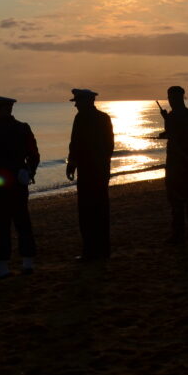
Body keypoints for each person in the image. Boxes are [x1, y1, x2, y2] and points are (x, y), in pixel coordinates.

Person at [0, 95, 40, 278]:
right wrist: (29, 172)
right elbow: (34, 155)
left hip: (2, 181)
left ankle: (2, 265)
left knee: (2, 223)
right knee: (22, 220)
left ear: (4, 110)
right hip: (18, 181)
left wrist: (28, 171)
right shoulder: (23, 128)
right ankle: (27, 262)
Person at [66, 89, 114, 261]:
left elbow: (75, 144)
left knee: (87, 211)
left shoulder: (82, 118)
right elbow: (109, 146)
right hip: (99, 171)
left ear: (87, 101)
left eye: (78, 102)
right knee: (100, 210)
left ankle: (90, 251)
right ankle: (102, 250)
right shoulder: (103, 118)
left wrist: (72, 164)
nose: (76, 105)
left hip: (89, 172)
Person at [159, 86, 188, 244]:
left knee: (176, 198)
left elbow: (174, 138)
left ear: (178, 98)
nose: (170, 101)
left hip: (176, 163)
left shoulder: (173, 117)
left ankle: (179, 234)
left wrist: (185, 156)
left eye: (172, 98)